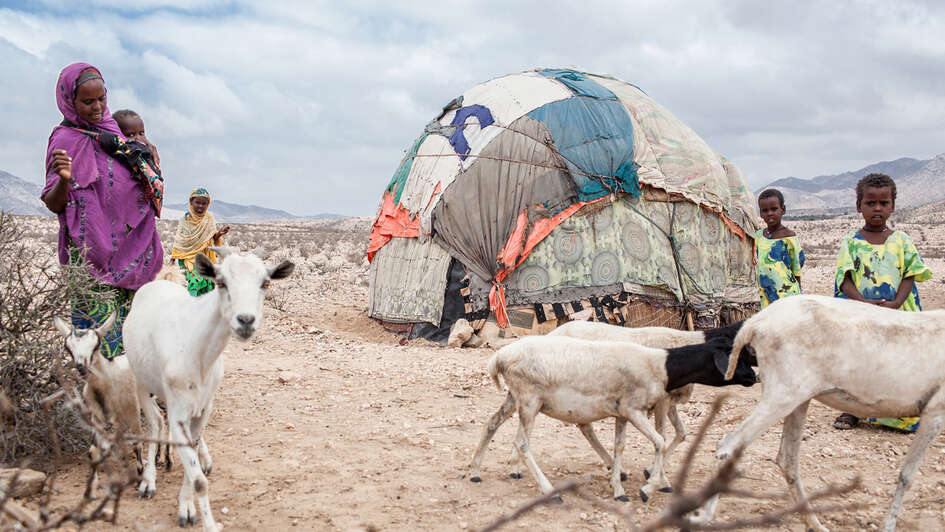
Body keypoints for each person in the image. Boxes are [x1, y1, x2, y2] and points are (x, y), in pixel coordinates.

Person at [42, 62, 164, 359]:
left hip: (131, 251)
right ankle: (102, 397)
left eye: (102, 99)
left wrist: (152, 161)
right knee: (101, 336)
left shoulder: (116, 132)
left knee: (134, 328)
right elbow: (53, 202)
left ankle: (137, 394)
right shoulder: (64, 140)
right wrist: (65, 179)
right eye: (87, 101)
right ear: (69, 101)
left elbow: (149, 187)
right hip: (91, 257)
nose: (97, 107)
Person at [831, 173, 933, 431]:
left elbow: (910, 274)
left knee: (897, 361)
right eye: (870, 203)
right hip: (862, 314)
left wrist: (897, 303)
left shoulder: (902, 241)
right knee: (860, 360)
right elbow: (844, 280)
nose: (877, 208)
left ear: (892, 206)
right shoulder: (851, 243)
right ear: (859, 206)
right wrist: (863, 303)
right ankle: (853, 409)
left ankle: (898, 412)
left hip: (898, 313)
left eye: (884, 203)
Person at [170, 188, 230, 296]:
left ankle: (203, 308)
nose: (200, 206)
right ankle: (190, 306)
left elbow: (213, 238)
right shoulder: (185, 220)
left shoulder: (209, 219)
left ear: (208, 204)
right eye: (197, 202)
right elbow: (179, 240)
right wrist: (173, 258)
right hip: (188, 258)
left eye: (204, 203)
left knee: (209, 282)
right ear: (191, 202)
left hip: (205, 257)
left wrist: (220, 233)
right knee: (195, 282)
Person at [754, 188, 804, 308]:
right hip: (764, 295)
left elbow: (796, 269)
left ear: (783, 210)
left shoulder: (789, 237)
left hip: (786, 295)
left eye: (774, 209)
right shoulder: (758, 236)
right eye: (765, 210)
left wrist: (799, 297)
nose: (769, 213)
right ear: (760, 214)